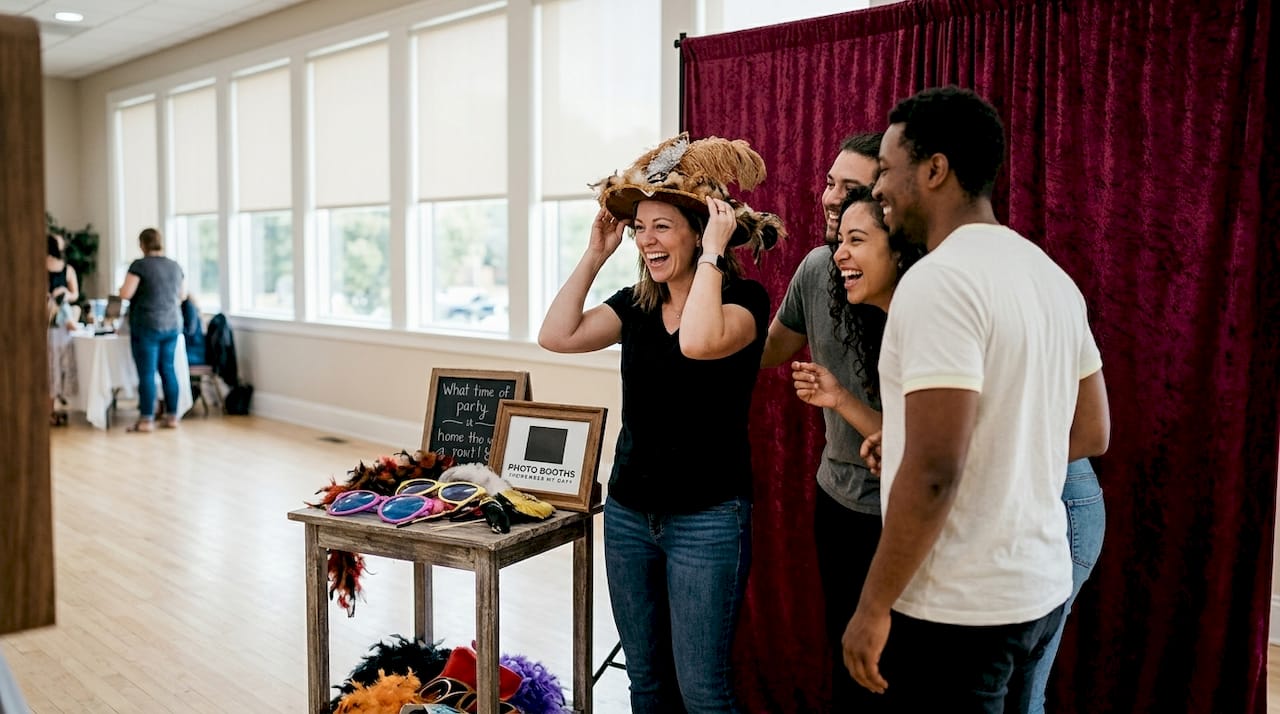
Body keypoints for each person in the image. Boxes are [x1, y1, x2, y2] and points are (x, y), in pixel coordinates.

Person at [839, 87, 1110, 713]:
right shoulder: (1049, 274)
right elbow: (1092, 430)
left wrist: (873, 605)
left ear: (934, 170)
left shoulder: (938, 280)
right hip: (1038, 590)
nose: (876, 189)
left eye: (886, 169)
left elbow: (936, 470)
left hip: (959, 608)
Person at [539, 132, 784, 713]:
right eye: (639, 227)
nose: (646, 240)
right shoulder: (635, 304)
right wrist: (594, 254)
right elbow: (557, 336)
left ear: (700, 232)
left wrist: (714, 257)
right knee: (646, 682)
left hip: (708, 519)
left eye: (662, 226)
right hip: (628, 516)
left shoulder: (745, 300)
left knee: (702, 692)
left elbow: (698, 342)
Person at [760, 133, 891, 712]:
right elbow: (765, 350)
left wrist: (841, 400)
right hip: (839, 500)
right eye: (829, 182)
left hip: (906, 508)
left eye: (850, 188)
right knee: (848, 660)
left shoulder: (923, 287)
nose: (829, 197)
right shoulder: (818, 267)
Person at [119, 227, 185, 432]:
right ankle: (172, 416)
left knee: (147, 373)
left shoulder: (140, 266)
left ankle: (147, 419)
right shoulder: (174, 266)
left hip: (147, 325)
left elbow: (126, 294)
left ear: (142, 244)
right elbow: (181, 296)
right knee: (168, 369)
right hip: (172, 324)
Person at [47, 233, 79, 425]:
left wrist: (64, 294)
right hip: (49, 321)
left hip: (59, 326)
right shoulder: (42, 265)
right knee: (53, 366)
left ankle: (56, 408)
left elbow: (74, 294)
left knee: (57, 366)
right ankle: (51, 409)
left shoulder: (68, 269)